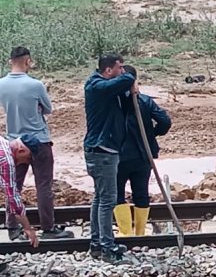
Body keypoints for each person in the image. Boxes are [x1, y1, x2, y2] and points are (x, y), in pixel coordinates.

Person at [0, 47, 71, 241]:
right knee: (44, 186)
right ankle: (48, 227)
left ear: (10, 62)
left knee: (13, 186)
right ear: (28, 61)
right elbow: (47, 109)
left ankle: (13, 227)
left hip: (13, 141)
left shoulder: (1, 84)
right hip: (39, 141)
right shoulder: (36, 85)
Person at [83, 54, 135, 261]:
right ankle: (106, 247)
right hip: (102, 150)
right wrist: (130, 75)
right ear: (108, 70)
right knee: (107, 200)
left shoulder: (105, 87)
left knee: (100, 198)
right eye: (119, 67)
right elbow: (127, 78)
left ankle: (97, 243)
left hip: (102, 150)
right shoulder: (96, 86)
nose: (122, 71)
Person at [115, 65, 170, 237]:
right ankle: (139, 232)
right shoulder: (145, 101)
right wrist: (151, 134)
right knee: (141, 193)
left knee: (117, 194)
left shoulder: (114, 102)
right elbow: (165, 122)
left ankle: (126, 232)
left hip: (119, 157)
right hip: (142, 155)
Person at [0, 138, 40, 249]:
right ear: (21, 150)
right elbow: (12, 197)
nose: (27, 162)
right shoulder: (7, 161)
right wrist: (27, 228)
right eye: (28, 158)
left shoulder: (3, 142)